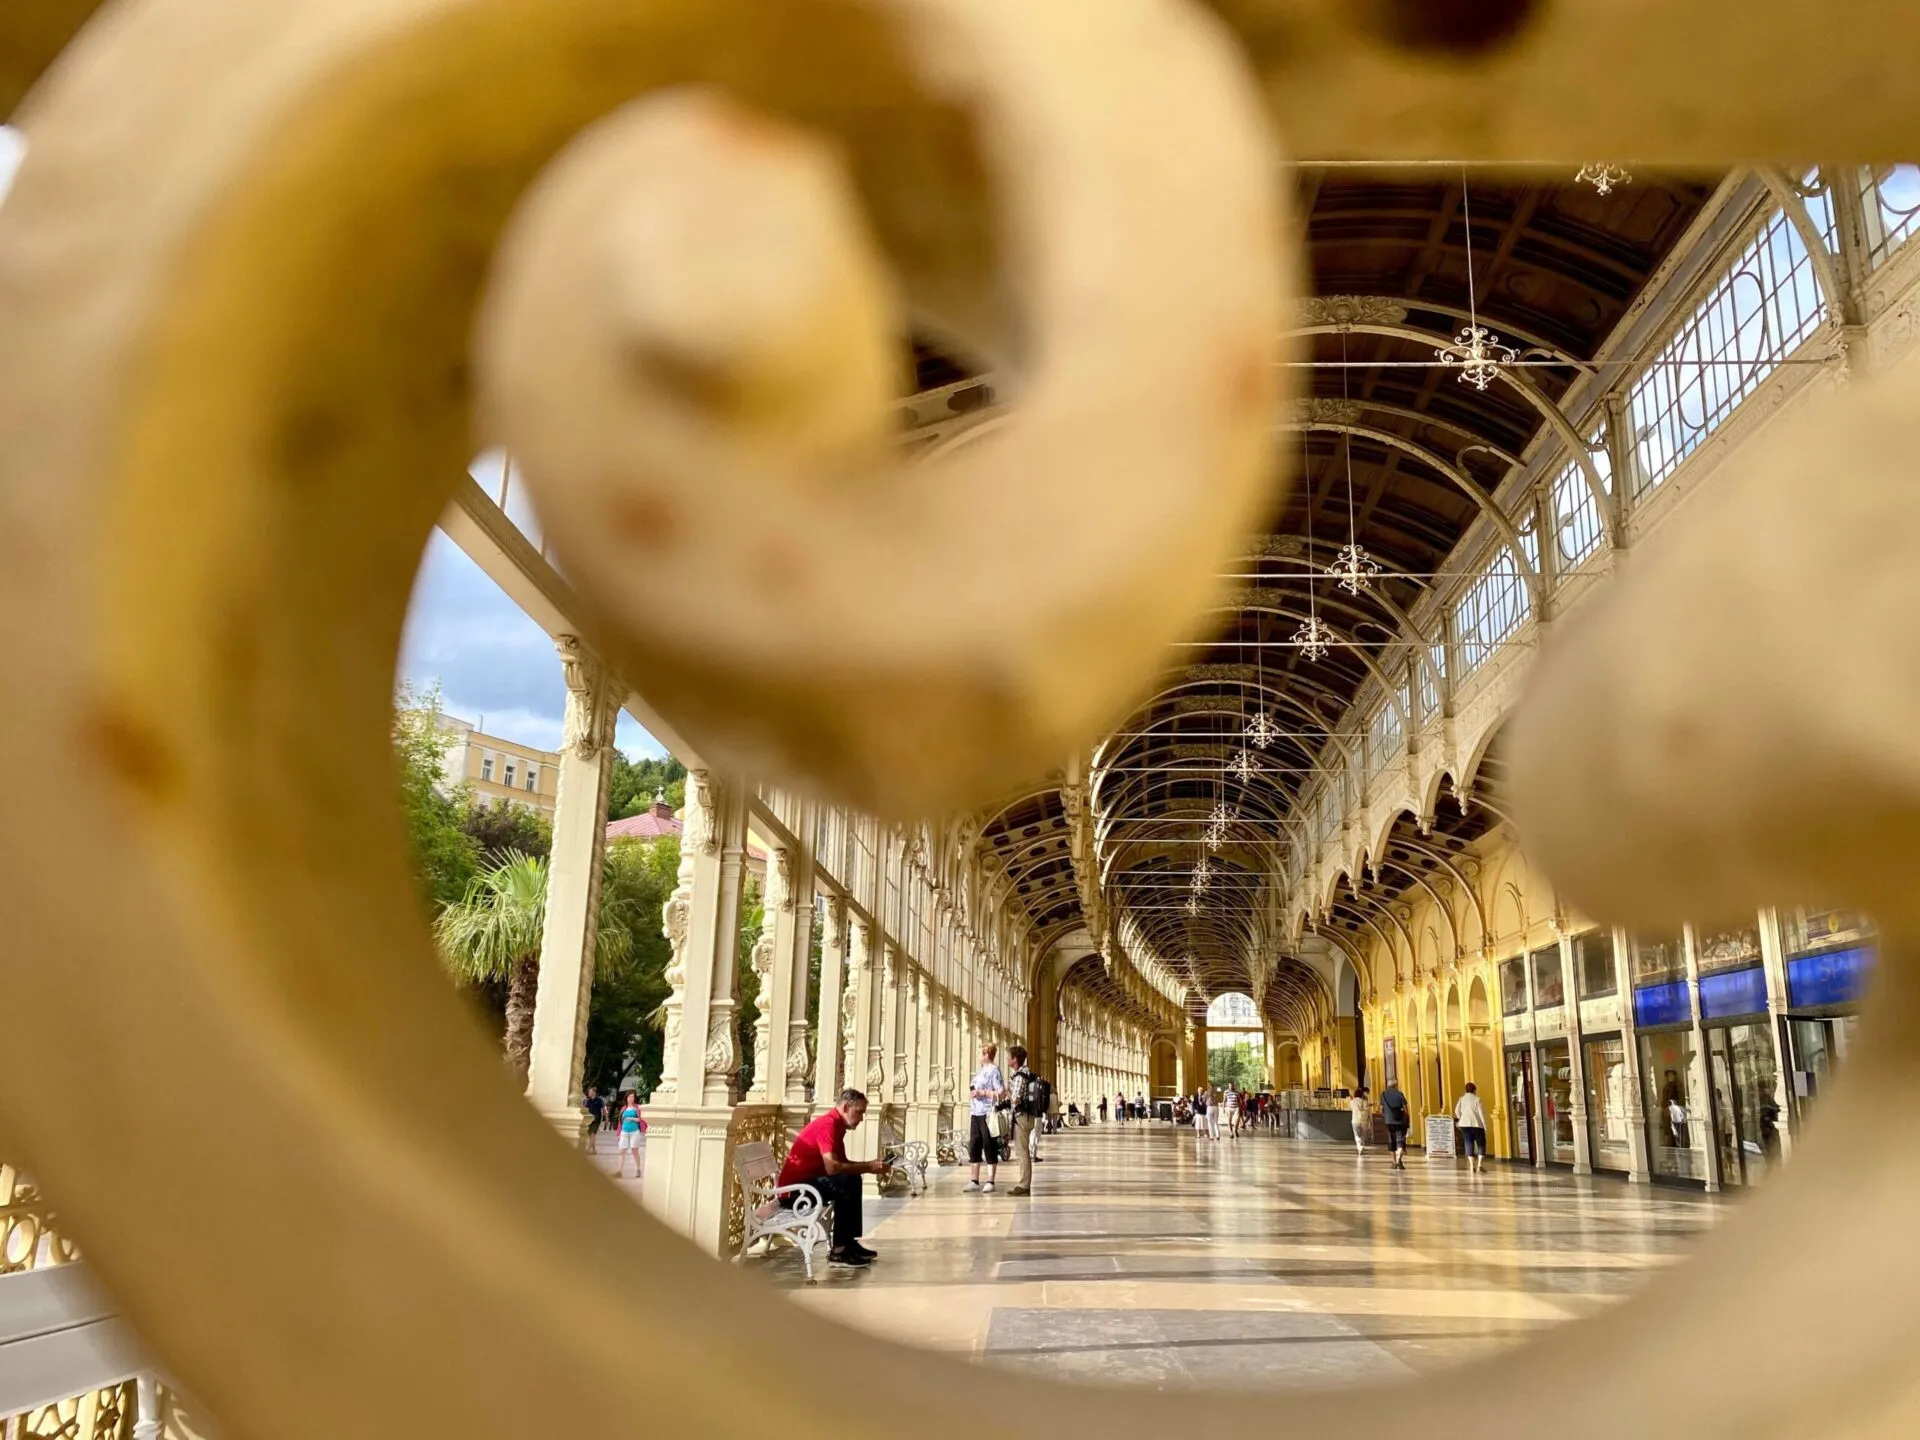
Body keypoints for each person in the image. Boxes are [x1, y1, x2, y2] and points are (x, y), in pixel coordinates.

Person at [776, 1088, 892, 1267]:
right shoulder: (828, 1125)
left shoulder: (837, 1125)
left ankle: (848, 1243)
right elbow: (833, 1168)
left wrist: (870, 1165)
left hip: (807, 1187)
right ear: (846, 1107)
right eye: (859, 1112)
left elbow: (841, 1164)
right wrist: (868, 1166)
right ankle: (839, 1250)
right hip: (794, 1194)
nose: (861, 1118)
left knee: (851, 1179)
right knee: (847, 1182)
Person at [966, 1043, 1005, 1192]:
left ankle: (990, 1181)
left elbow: (1000, 1092)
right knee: (974, 1145)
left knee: (989, 1145)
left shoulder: (994, 1070)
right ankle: (974, 1180)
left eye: (980, 1053)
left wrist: (982, 1093)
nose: (978, 1056)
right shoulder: (980, 1071)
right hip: (975, 1112)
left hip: (987, 1113)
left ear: (987, 1055)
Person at [1006, 1045, 1040, 1196]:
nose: (1007, 1059)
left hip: (1022, 1116)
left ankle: (1024, 1185)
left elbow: (1016, 1098)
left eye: (1009, 1057)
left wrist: (1007, 1092)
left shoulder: (1020, 1076)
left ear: (1015, 1059)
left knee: (1022, 1151)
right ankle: (1024, 1183)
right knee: (1023, 1150)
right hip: (1027, 1116)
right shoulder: (1026, 1073)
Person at [1454, 1082, 1489, 1174]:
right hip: (1477, 1124)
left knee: (1468, 1143)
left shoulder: (1461, 1099)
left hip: (1465, 1125)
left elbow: (1456, 1111)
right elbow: (1481, 1113)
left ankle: (1471, 1166)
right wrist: (1485, 1125)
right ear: (1474, 1090)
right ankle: (1480, 1165)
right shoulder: (1477, 1099)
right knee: (1481, 1144)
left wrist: (1461, 1118)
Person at [614, 1091, 646, 1179]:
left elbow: (641, 1119)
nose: (631, 1098)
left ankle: (638, 1169)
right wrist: (618, 1133)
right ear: (626, 1098)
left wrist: (631, 1118)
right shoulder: (623, 1108)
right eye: (629, 1097)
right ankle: (619, 1171)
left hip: (634, 1131)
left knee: (634, 1150)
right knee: (622, 1151)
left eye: (632, 1097)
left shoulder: (637, 1108)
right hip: (624, 1131)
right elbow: (620, 1122)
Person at [1380, 1079, 1411, 1169]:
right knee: (1400, 1141)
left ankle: (1394, 1162)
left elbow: (1381, 1110)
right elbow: (1406, 1110)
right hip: (1400, 1122)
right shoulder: (1400, 1094)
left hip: (1389, 1121)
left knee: (1391, 1141)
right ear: (1396, 1085)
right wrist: (1407, 1118)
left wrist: (1386, 1116)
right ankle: (1399, 1160)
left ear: (1388, 1085)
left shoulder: (1383, 1095)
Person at [583, 1085, 605, 1154]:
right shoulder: (587, 1101)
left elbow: (603, 1109)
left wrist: (606, 1118)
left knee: (592, 1134)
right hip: (589, 1118)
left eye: (590, 1092)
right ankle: (593, 1150)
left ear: (594, 1092)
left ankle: (589, 1149)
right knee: (591, 1135)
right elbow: (585, 1109)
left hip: (596, 1118)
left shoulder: (599, 1100)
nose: (589, 1093)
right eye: (589, 1092)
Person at [1349, 1086, 1370, 1154]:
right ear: (1361, 1095)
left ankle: (1359, 1146)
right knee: (1363, 1134)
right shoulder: (1364, 1101)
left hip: (1355, 1120)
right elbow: (1367, 1110)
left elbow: (1351, 1109)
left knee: (1357, 1135)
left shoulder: (1352, 1102)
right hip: (1364, 1121)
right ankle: (1362, 1145)